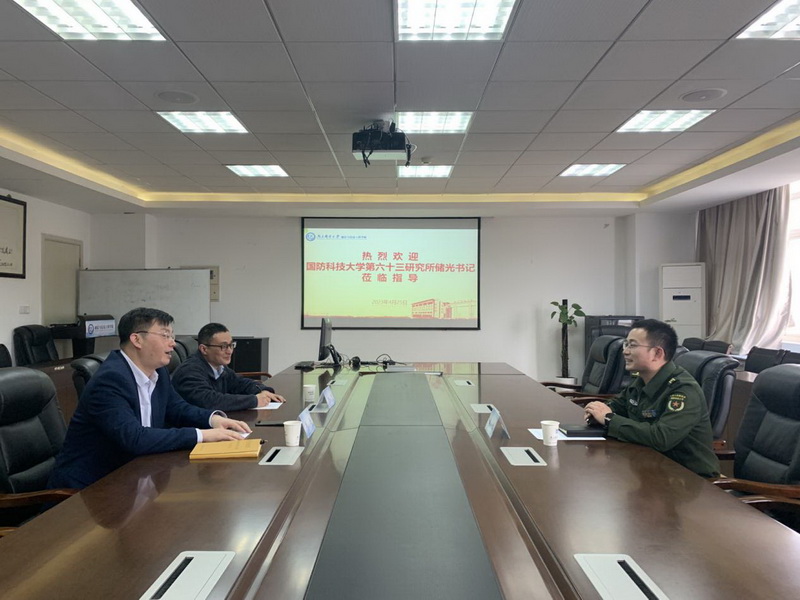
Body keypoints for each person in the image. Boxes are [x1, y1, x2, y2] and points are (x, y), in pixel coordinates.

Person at [48, 308, 251, 490]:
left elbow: (177, 408)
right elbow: (135, 438)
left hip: (136, 475)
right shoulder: (110, 380)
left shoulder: (158, 372)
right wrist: (202, 435)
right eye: (165, 335)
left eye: (172, 336)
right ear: (137, 340)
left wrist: (213, 419)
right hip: (90, 490)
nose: (172, 343)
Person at [583, 319, 720, 478]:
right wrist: (597, 413)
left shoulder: (683, 390)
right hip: (651, 467)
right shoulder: (641, 380)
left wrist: (608, 419)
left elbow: (661, 437)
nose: (625, 351)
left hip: (689, 478)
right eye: (626, 344)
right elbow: (618, 405)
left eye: (632, 345)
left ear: (657, 353)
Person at [172, 322, 285, 411]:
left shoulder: (219, 366)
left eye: (231, 345)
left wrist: (263, 391)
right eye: (223, 346)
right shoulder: (190, 371)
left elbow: (239, 383)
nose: (230, 351)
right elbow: (210, 401)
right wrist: (254, 400)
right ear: (204, 349)